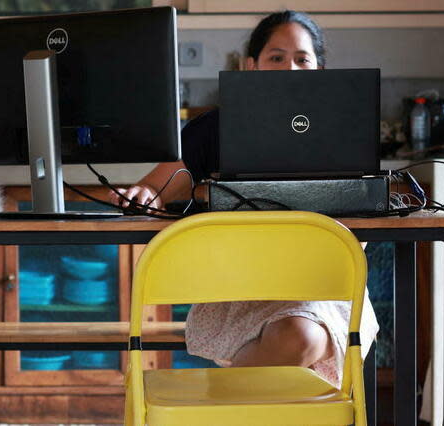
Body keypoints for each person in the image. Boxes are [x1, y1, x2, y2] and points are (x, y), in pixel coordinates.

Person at [111, 10, 379, 386]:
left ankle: (210, 410)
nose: (290, 69)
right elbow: (156, 188)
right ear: (250, 66)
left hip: (323, 284)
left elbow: (360, 221)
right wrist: (144, 193)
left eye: (302, 59)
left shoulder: (345, 131)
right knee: (296, 352)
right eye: (276, 57)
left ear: (320, 70)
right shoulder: (215, 130)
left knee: (299, 339)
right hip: (242, 289)